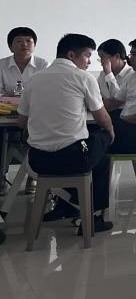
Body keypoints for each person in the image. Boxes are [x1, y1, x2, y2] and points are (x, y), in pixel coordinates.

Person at [16, 33, 115, 233]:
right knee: (102, 147)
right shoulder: (84, 78)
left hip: (37, 161)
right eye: (87, 56)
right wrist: (111, 133)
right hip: (72, 160)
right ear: (71, 55)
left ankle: (69, 205)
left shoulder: (34, 79)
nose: (89, 62)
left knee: (93, 151)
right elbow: (102, 117)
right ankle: (93, 217)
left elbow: (21, 121)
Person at [1, 26, 48, 94]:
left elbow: (46, 90)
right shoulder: (1, 64)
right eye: (19, 41)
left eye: (28, 41)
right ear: (10, 47)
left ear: (34, 45)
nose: (24, 44)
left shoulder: (43, 65)